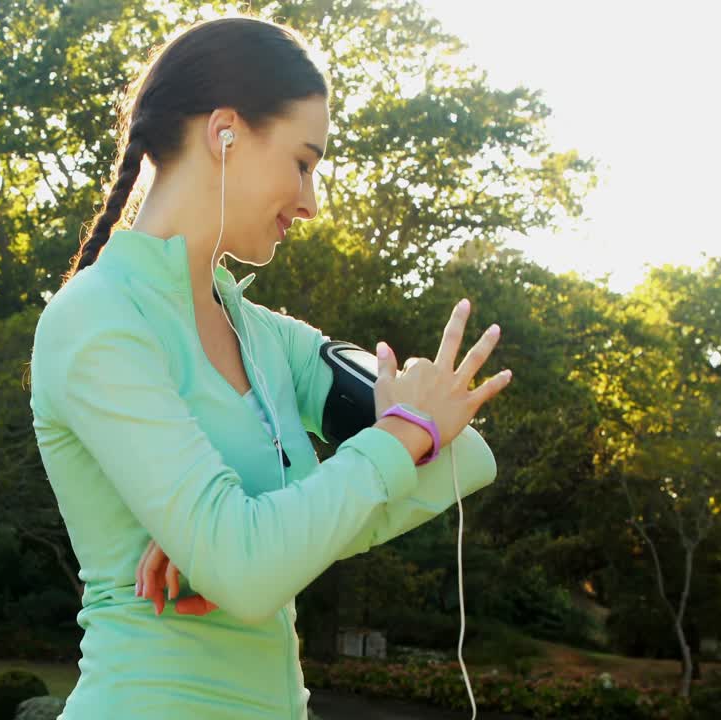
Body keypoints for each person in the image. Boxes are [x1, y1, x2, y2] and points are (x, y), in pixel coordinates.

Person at [28, 15, 512, 719]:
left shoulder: (266, 338)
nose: (313, 201)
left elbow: (464, 450)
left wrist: (246, 542)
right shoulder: (95, 320)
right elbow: (258, 570)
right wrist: (397, 442)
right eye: (303, 161)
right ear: (225, 131)